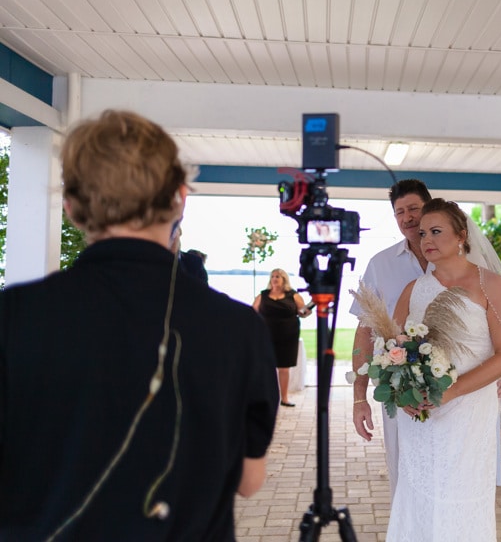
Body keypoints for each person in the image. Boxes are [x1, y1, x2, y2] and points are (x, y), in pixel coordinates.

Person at [0, 110, 279, 540]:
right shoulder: (239, 327)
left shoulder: (13, 315)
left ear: (71, 206)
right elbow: (249, 480)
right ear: (180, 199)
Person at [388, 198, 501, 541]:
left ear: (461, 235)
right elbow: (391, 349)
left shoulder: (490, 285)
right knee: (418, 489)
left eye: (436, 231)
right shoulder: (413, 290)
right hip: (421, 413)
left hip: (468, 407)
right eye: (422, 233)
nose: (426, 239)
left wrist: (451, 390)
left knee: (461, 490)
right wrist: (403, 396)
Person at [350, 179, 432, 496]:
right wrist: (359, 397)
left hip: (457, 389)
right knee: (405, 478)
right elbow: (364, 331)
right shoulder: (380, 265)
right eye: (400, 212)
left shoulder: (461, 263)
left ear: (430, 208)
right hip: (400, 390)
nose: (407, 218)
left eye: (413, 208)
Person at [253, 268, 313, 407]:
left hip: (288, 336)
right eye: (273, 276)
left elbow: (303, 313)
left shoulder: (293, 295)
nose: (274, 278)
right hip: (266, 336)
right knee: (265, 366)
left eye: (278, 276)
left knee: (284, 367)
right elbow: (253, 312)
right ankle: (266, 397)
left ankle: (284, 398)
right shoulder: (263, 295)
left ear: (284, 279)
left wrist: (310, 308)